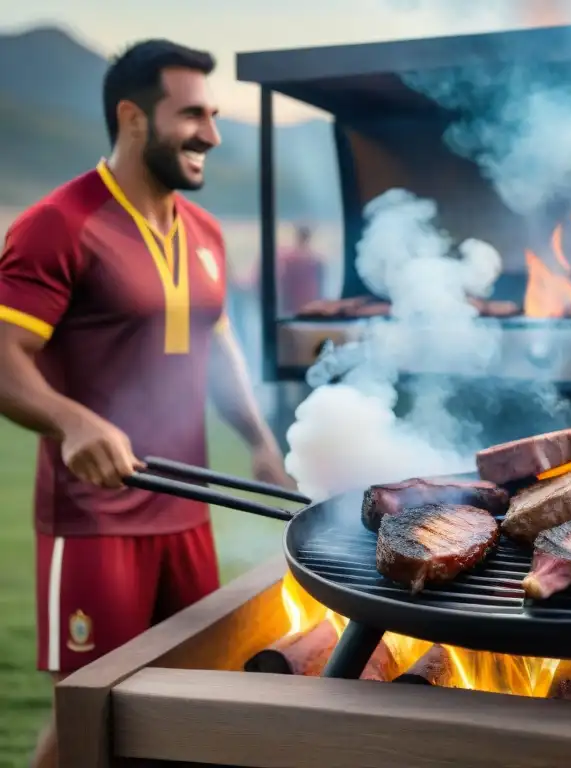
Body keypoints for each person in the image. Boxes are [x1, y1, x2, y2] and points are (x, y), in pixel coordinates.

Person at [0, 40, 292, 768]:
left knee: (188, 705)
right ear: (132, 118)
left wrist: (259, 440)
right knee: (90, 720)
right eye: (191, 114)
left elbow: (213, 347)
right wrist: (72, 420)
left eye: (214, 114)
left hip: (187, 510)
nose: (211, 135)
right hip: (95, 521)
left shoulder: (207, 233)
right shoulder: (57, 224)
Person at [277, 223, 325, 316]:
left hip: (299, 306)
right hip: (307, 305)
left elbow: (285, 284)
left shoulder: (290, 260)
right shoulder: (316, 260)